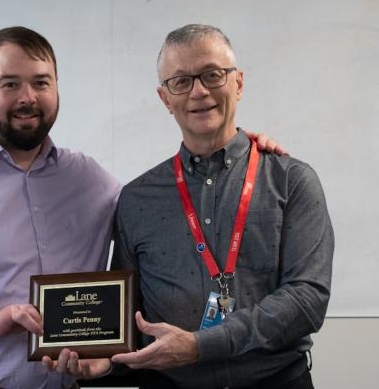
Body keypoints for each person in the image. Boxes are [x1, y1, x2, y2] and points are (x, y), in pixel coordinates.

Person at [0, 26, 285, 389]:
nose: (27, 97)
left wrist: (240, 153)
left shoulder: (89, 180)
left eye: (41, 82)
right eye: (9, 83)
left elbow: (167, 209)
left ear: (56, 87)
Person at [49, 24, 333, 389]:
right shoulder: (137, 198)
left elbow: (308, 299)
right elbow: (128, 317)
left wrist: (200, 346)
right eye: (181, 81)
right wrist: (106, 361)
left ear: (239, 83)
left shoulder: (292, 181)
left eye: (213, 75)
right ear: (165, 98)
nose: (199, 91)